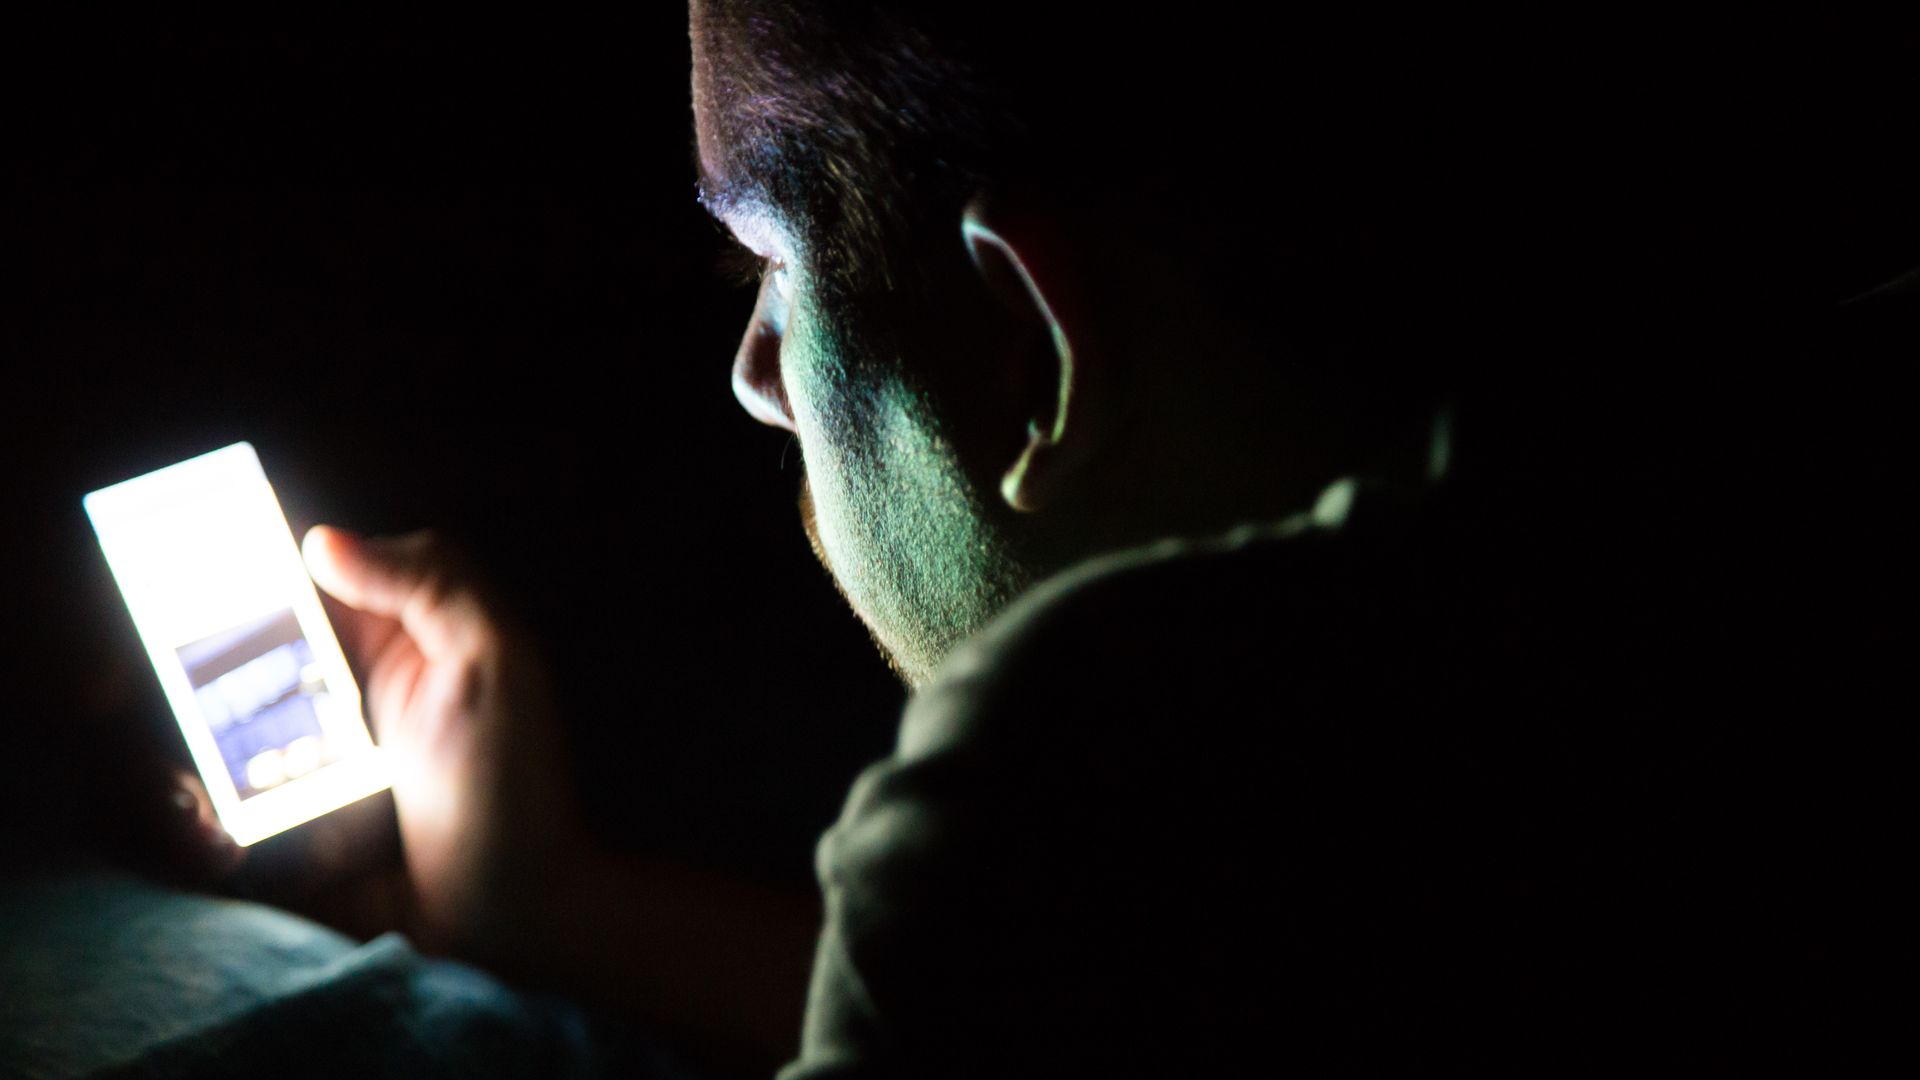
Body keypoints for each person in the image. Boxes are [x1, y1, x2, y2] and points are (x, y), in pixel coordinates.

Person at [7, 5, 1906, 1076]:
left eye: (774, 258)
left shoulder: (1076, 786)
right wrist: (553, 906)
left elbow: (1059, 929)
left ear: (1025, 344)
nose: (754, 372)